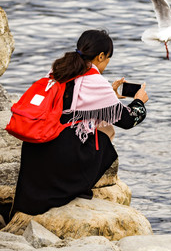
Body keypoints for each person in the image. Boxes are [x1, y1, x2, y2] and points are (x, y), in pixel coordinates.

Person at [10, 29, 149, 218]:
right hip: (59, 158)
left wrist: (110, 94)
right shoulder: (94, 80)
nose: (108, 63)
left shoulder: (58, 70)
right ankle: (75, 185)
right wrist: (139, 101)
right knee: (106, 132)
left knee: (94, 125)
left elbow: (71, 103)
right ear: (101, 56)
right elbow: (128, 119)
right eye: (108, 58)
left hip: (36, 152)